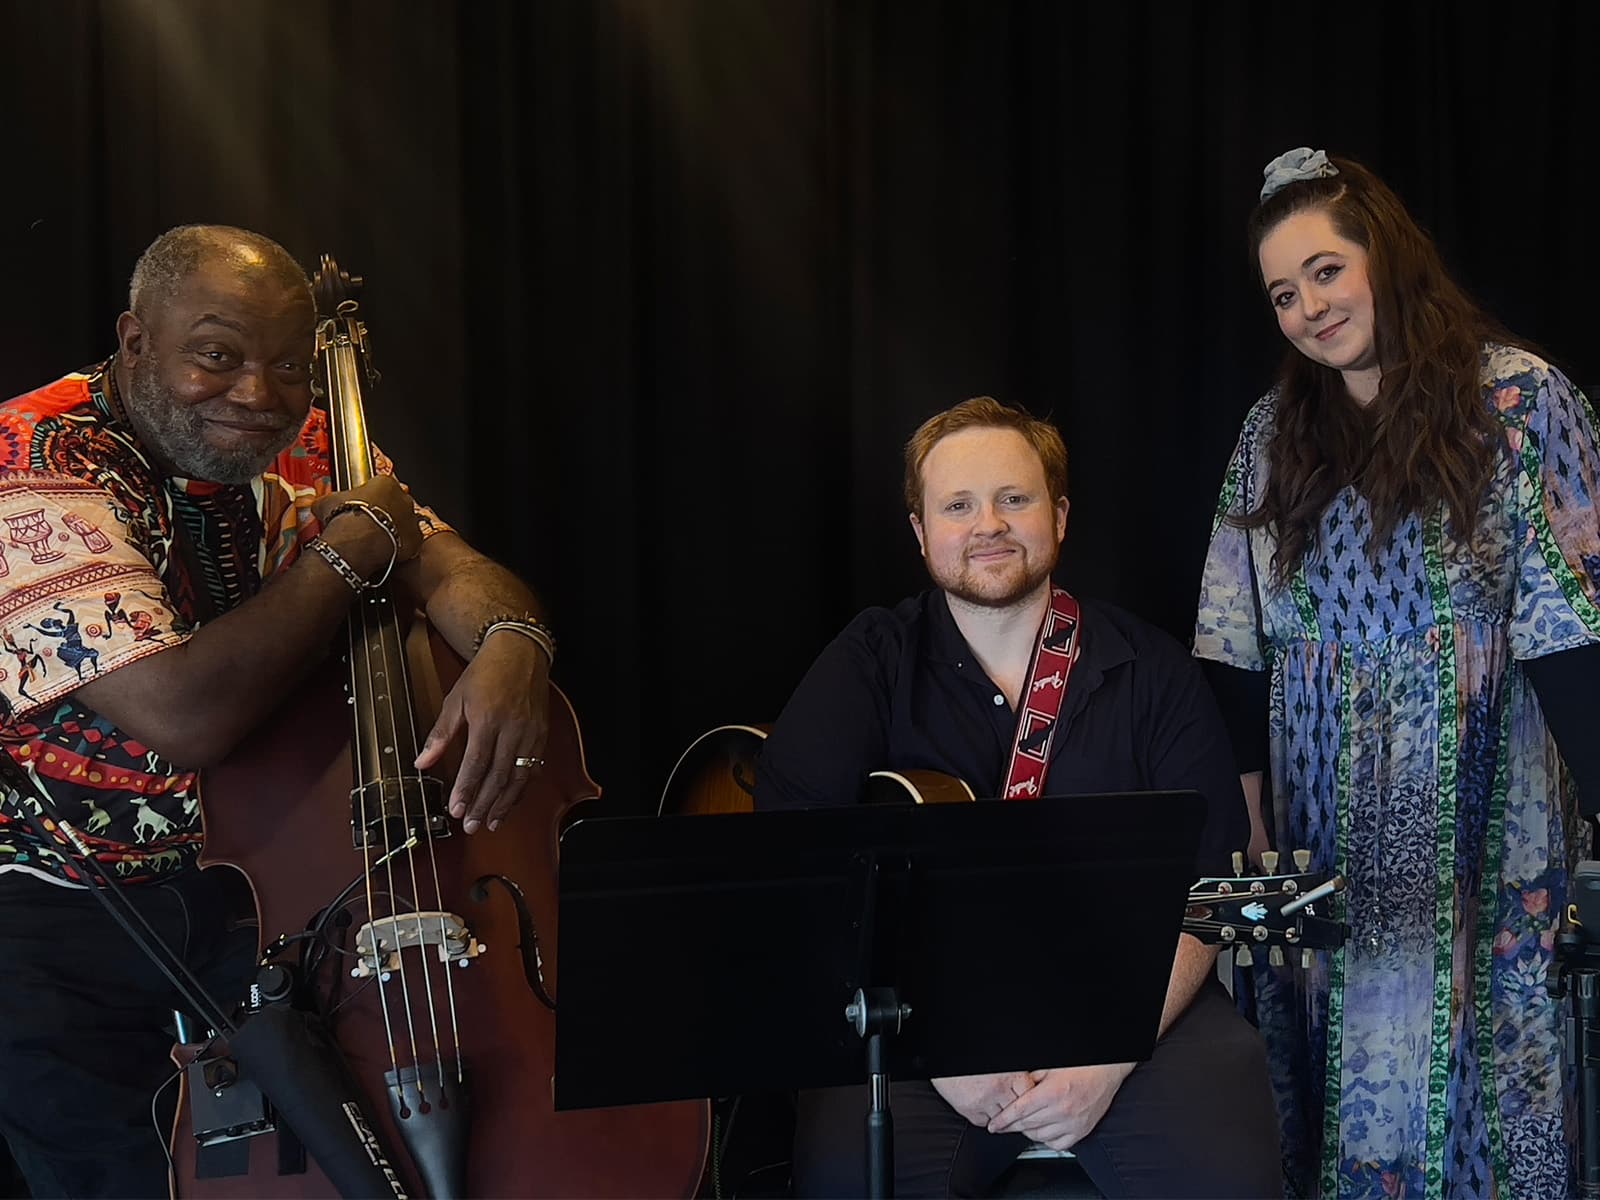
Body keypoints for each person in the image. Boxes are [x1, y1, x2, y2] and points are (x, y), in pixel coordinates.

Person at [0, 224, 557, 1197]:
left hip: (256, 888)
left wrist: (517, 642)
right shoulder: (35, 458)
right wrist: (345, 554)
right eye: (216, 356)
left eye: (288, 367)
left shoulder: (299, 439)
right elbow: (180, 718)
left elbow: (436, 559)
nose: (257, 395)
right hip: (55, 899)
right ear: (136, 342)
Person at [1195, 148, 1600, 1198]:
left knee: (1494, 1090)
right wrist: (1248, 834)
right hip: (1316, 832)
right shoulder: (1272, 433)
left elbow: (1575, 631)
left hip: (1488, 830)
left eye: (1326, 270)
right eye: (1283, 292)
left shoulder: (1520, 403)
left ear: (1385, 252)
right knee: (1316, 1096)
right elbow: (1232, 644)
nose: (1308, 307)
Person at [756, 396, 1282, 1198]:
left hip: (1135, 1006)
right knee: (845, 1177)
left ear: (1059, 516)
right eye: (958, 505)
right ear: (921, 532)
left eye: (1014, 498)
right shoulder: (870, 661)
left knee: (1225, 1175)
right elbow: (791, 858)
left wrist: (1110, 1056)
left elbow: (1213, 887)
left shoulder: (1156, 671)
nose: (988, 524)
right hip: (920, 1023)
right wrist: (934, 1049)